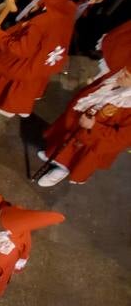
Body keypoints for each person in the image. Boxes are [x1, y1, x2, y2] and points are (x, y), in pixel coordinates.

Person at [36, 27, 131, 187]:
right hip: (79, 121)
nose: (120, 75)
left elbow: (120, 139)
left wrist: (94, 126)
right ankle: (53, 154)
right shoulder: (116, 79)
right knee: (64, 139)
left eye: (127, 76)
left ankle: (62, 170)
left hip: (93, 138)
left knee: (76, 155)